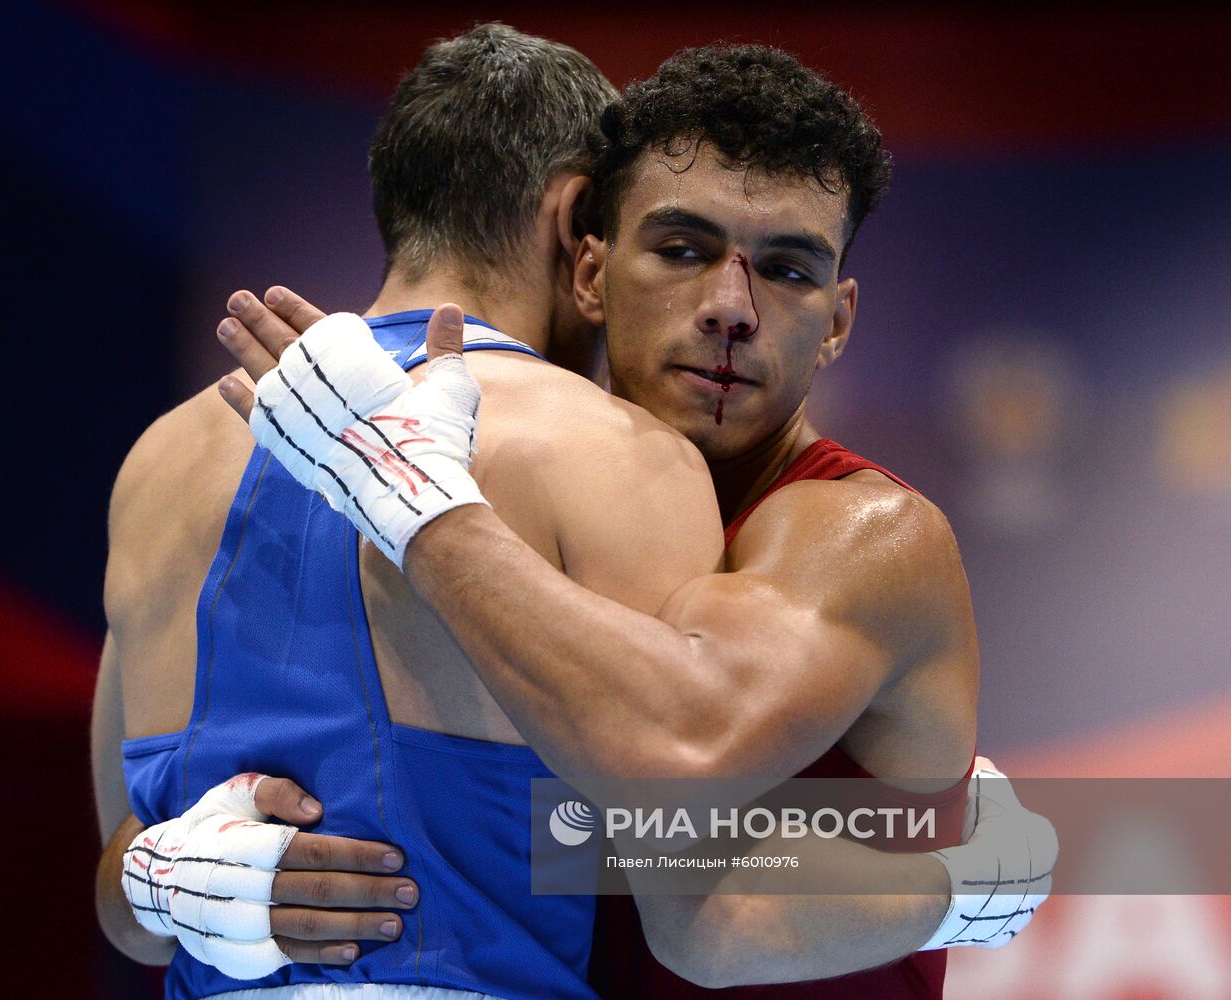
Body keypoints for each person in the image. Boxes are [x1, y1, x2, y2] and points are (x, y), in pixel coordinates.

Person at [96, 25, 1051, 1000]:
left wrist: (962, 883)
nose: (729, 306)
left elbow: (704, 882)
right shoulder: (590, 475)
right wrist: (162, 879)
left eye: (788, 269)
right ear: (587, 260)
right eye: (681, 249)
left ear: (838, 319)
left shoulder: (861, 534)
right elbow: (134, 857)